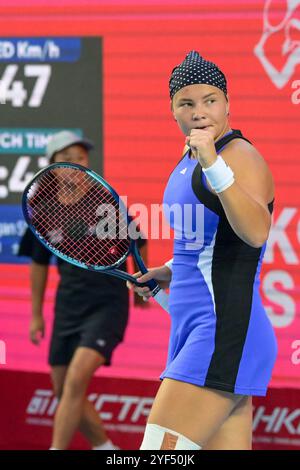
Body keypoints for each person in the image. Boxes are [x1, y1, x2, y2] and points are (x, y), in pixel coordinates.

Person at [129, 51, 277, 450]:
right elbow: (209, 244)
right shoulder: (188, 158)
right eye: (186, 103)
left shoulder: (237, 156)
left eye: (210, 100)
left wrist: (213, 163)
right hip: (199, 329)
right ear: (172, 109)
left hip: (222, 334)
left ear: (227, 103)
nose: (199, 112)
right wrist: (168, 270)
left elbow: (256, 234)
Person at [18, 131, 147, 450]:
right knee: (64, 389)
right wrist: (36, 314)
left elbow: (136, 243)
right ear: (51, 167)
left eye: (81, 158)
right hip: (67, 306)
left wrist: (140, 285)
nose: (76, 164)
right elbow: (38, 264)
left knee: (76, 380)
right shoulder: (42, 211)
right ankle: (107, 449)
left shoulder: (106, 202)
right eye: (66, 159)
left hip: (107, 304)